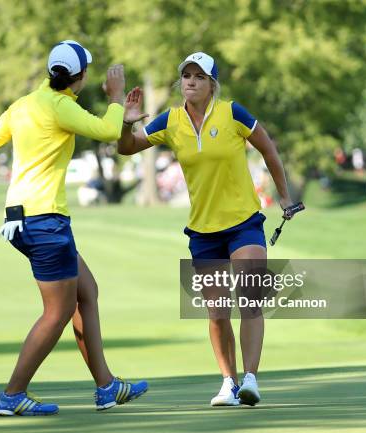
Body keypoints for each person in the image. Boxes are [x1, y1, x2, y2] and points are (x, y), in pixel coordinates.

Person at [0, 40, 148, 416]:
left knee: (86, 292)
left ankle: (106, 387)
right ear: (81, 77)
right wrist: (117, 97)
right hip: (46, 222)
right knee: (56, 313)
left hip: (21, 219)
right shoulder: (60, 107)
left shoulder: (25, 104)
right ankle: (12, 395)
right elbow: (108, 131)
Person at [117, 52, 299, 407]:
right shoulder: (169, 121)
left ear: (211, 83)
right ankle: (228, 382)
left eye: (199, 76)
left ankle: (251, 380)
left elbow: (268, 149)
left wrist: (285, 197)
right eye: (186, 75)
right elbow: (126, 148)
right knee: (216, 313)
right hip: (202, 231)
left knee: (249, 300)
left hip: (244, 222)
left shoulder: (233, 113)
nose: (191, 81)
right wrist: (125, 123)